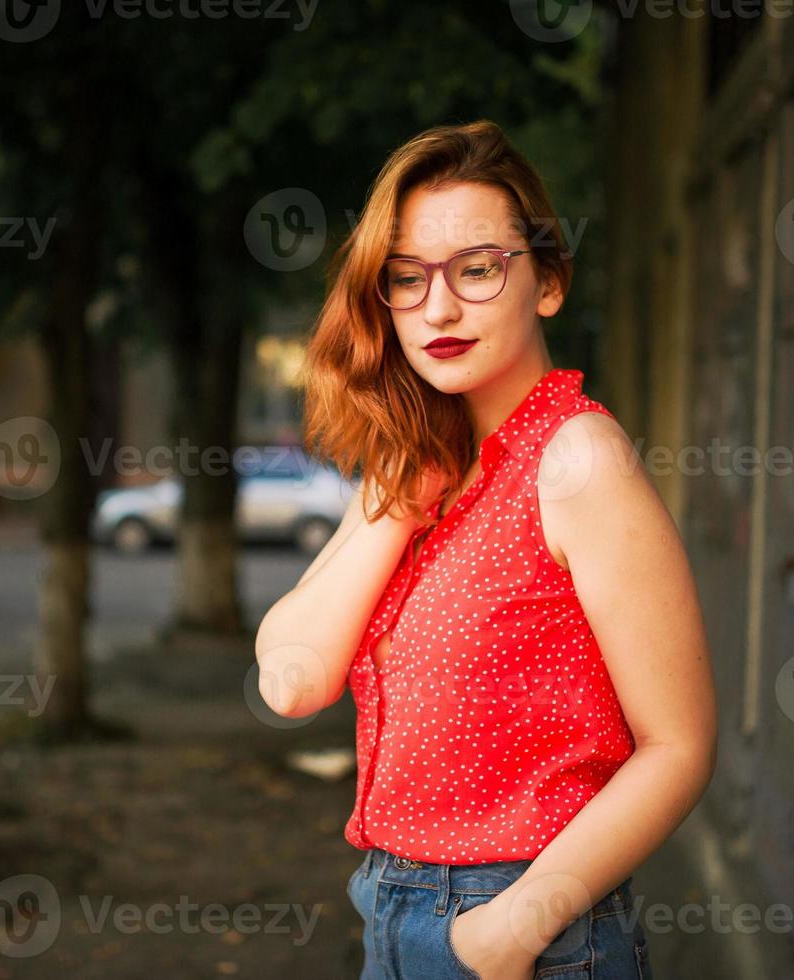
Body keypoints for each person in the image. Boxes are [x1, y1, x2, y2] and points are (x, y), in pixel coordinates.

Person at [254, 119, 716, 979]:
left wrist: (508, 931)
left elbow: (679, 745)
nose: (437, 308)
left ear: (546, 282)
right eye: (405, 279)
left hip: (527, 928)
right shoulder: (416, 467)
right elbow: (291, 680)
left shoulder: (578, 461)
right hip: (389, 909)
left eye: (476, 270)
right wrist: (399, 507)